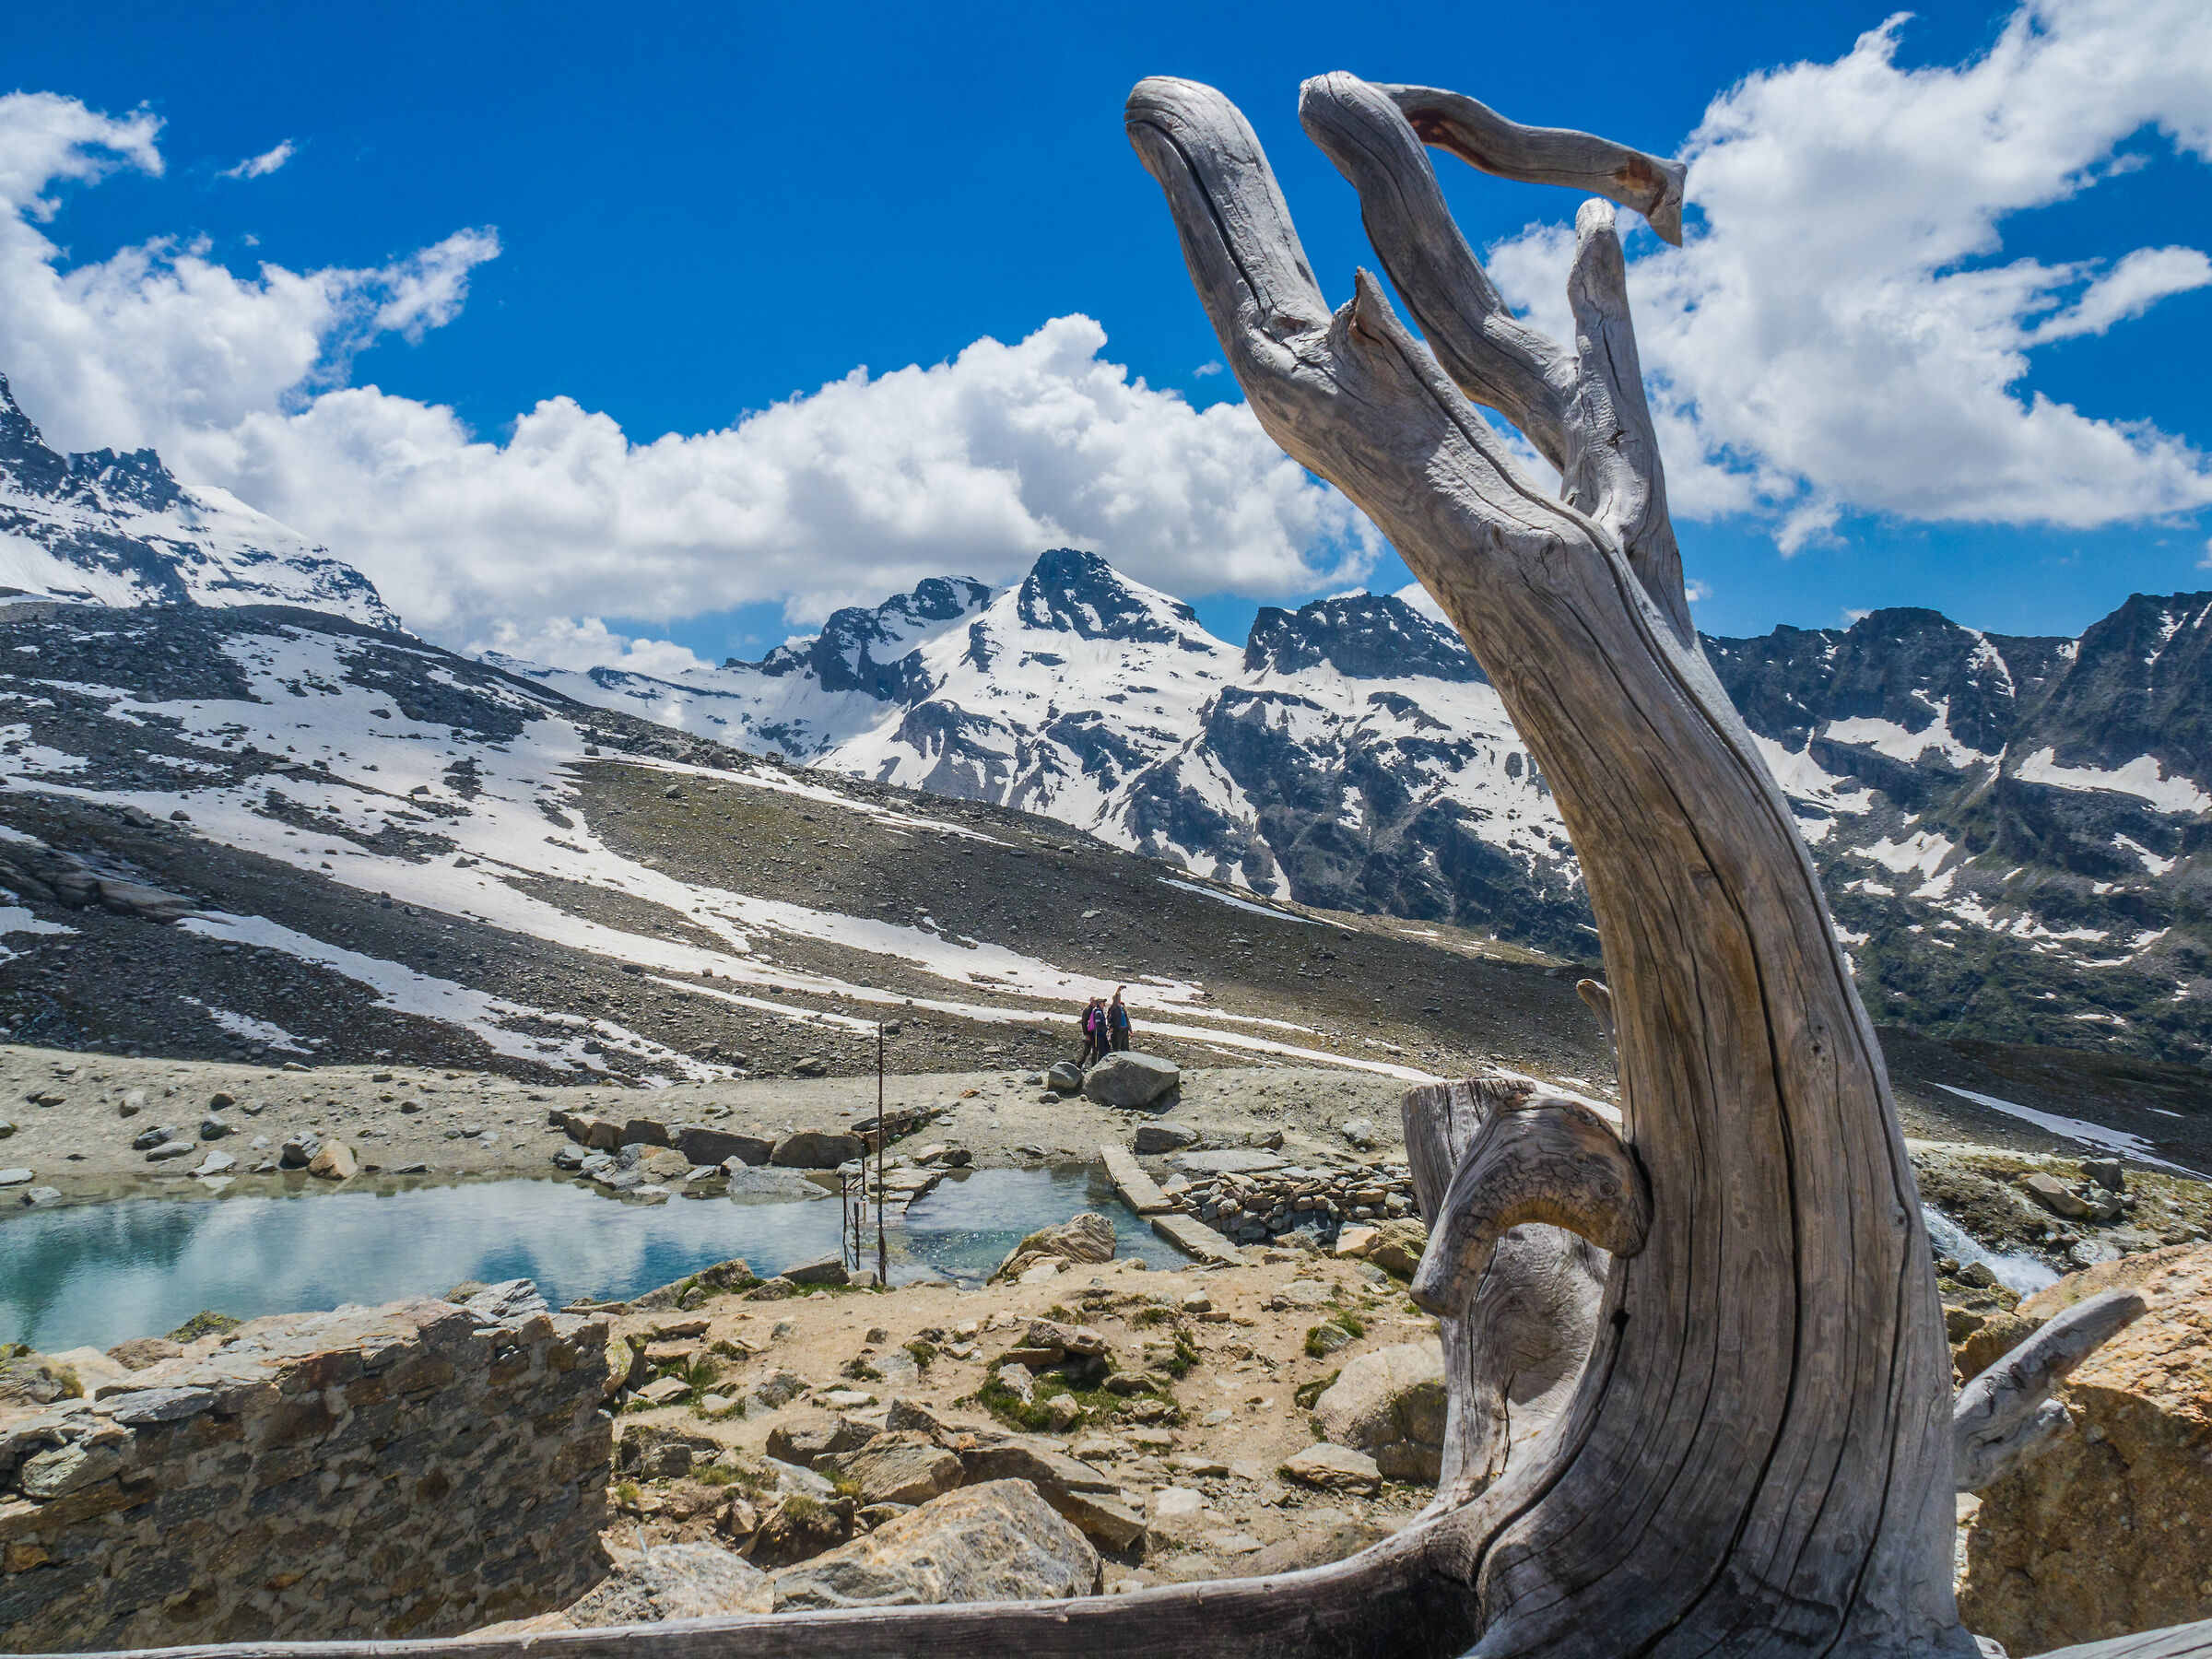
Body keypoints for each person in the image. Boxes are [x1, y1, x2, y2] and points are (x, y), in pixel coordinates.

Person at [1079, 995, 1106, 1065]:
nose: (1095, 1002)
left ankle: (1093, 1066)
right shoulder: (1087, 1010)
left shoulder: (1096, 1010)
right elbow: (1084, 1022)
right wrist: (1086, 1034)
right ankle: (1079, 1064)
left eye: (1096, 1001)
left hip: (1095, 1033)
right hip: (1090, 1033)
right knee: (1087, 1051)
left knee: (1095, 1050)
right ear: (1090, 1001)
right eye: (1094, 1001)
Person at [1108, 987, 1133, 1052]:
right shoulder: (1113, 1008)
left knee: (1125, 1047)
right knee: (1116, 1046)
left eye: (1119, 999)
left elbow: (1127, 1019)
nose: (1119, 1000)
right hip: (1117, 1029)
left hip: (1125, 1029)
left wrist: (1130, 1029)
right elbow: (1109, 1019)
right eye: (1118, 999)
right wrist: (1118, 992)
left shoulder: (1122, 1009)